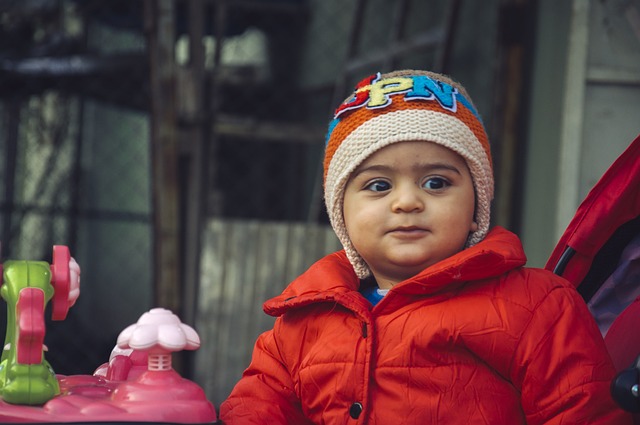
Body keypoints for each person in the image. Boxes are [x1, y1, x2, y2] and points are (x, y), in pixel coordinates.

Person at [219, 70, 632, 424]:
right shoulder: (301, 321)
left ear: (476, 205)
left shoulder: (539, 308)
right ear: (341, 214)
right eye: (378, 186)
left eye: (436, 182)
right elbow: (253, 409)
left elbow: (582, 414)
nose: (407, 202)